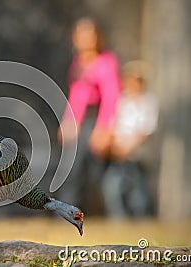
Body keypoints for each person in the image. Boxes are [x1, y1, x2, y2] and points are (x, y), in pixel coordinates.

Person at [58, 17, 121, 208]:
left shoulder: (106, 62)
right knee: (70, 168)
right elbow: (76, 95)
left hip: (96, 120)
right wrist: (67, 121)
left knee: (95, 172)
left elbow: (112, 96)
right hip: (80, 121)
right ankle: (67, 211)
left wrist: (104, 128)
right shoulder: (78, 63)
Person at [102, 60, 158, 217]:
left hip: (136, 155)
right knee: (113, 188)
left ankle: (142, 221)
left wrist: (128, 147)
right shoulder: (122, 101)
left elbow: (146, 130)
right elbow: (113, 124)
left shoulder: (148, 102)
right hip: (118, 155)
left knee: (138, 194)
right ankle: (119, 220)